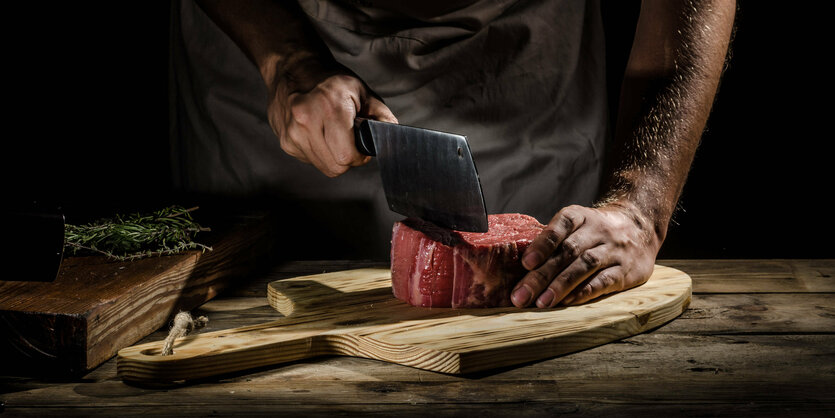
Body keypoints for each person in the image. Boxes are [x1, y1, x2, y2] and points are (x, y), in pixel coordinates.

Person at [172, 0, 735, 308]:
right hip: (276, 30)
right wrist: (285, 62)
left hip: (521, 47)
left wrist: (638, 208)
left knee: (526, 306)